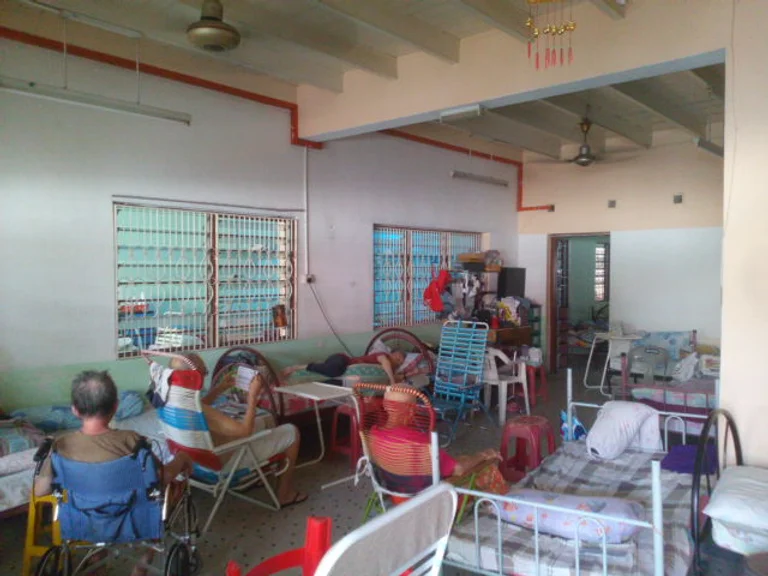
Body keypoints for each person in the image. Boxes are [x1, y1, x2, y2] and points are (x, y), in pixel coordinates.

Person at [34, 370, 194, 576]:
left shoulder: (61, 446)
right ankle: (142, 564)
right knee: (169, 492)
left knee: (94, 502)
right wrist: (182, 459)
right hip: (134, 520)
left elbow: (40, 491)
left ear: (74, 410)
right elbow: (162, 478)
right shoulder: (132, 441)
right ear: (116, 407)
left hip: (84, 521)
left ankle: (98, 560)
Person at [169, 353, 307, 507]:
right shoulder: (201, 411)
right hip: (223, 462)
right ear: (192, 377)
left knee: (264, 421)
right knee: (291, 431)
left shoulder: (172, 401)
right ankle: (284, 494)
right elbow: (245, 431)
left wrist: (220, 389)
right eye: (204, 373)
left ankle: (259, 475)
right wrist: (252, 397)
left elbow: (201, 405)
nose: (204, 377)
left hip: (196, 462)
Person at [369, 388, 508, 494]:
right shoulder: (420, 443)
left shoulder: (373, 433)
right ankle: (506, 510)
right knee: (488, 468)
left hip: (394, 492)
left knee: (464, 458)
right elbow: (458, 470)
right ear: (412, 411)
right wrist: (484, 455)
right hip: (426, 499)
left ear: (385, 406)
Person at [281, 350, 406, 385]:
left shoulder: (388, 371)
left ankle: (295, 381)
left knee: (329, 383)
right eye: (398, 355)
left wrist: (401, 377)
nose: (398, 359)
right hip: (342, 359)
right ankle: (296, 367)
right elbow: (385, 362)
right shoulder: (383, 356)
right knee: (334, 370)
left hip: (343, 372)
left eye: (401, 360)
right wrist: (392, 380)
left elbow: (400, 377)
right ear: (391, 353)